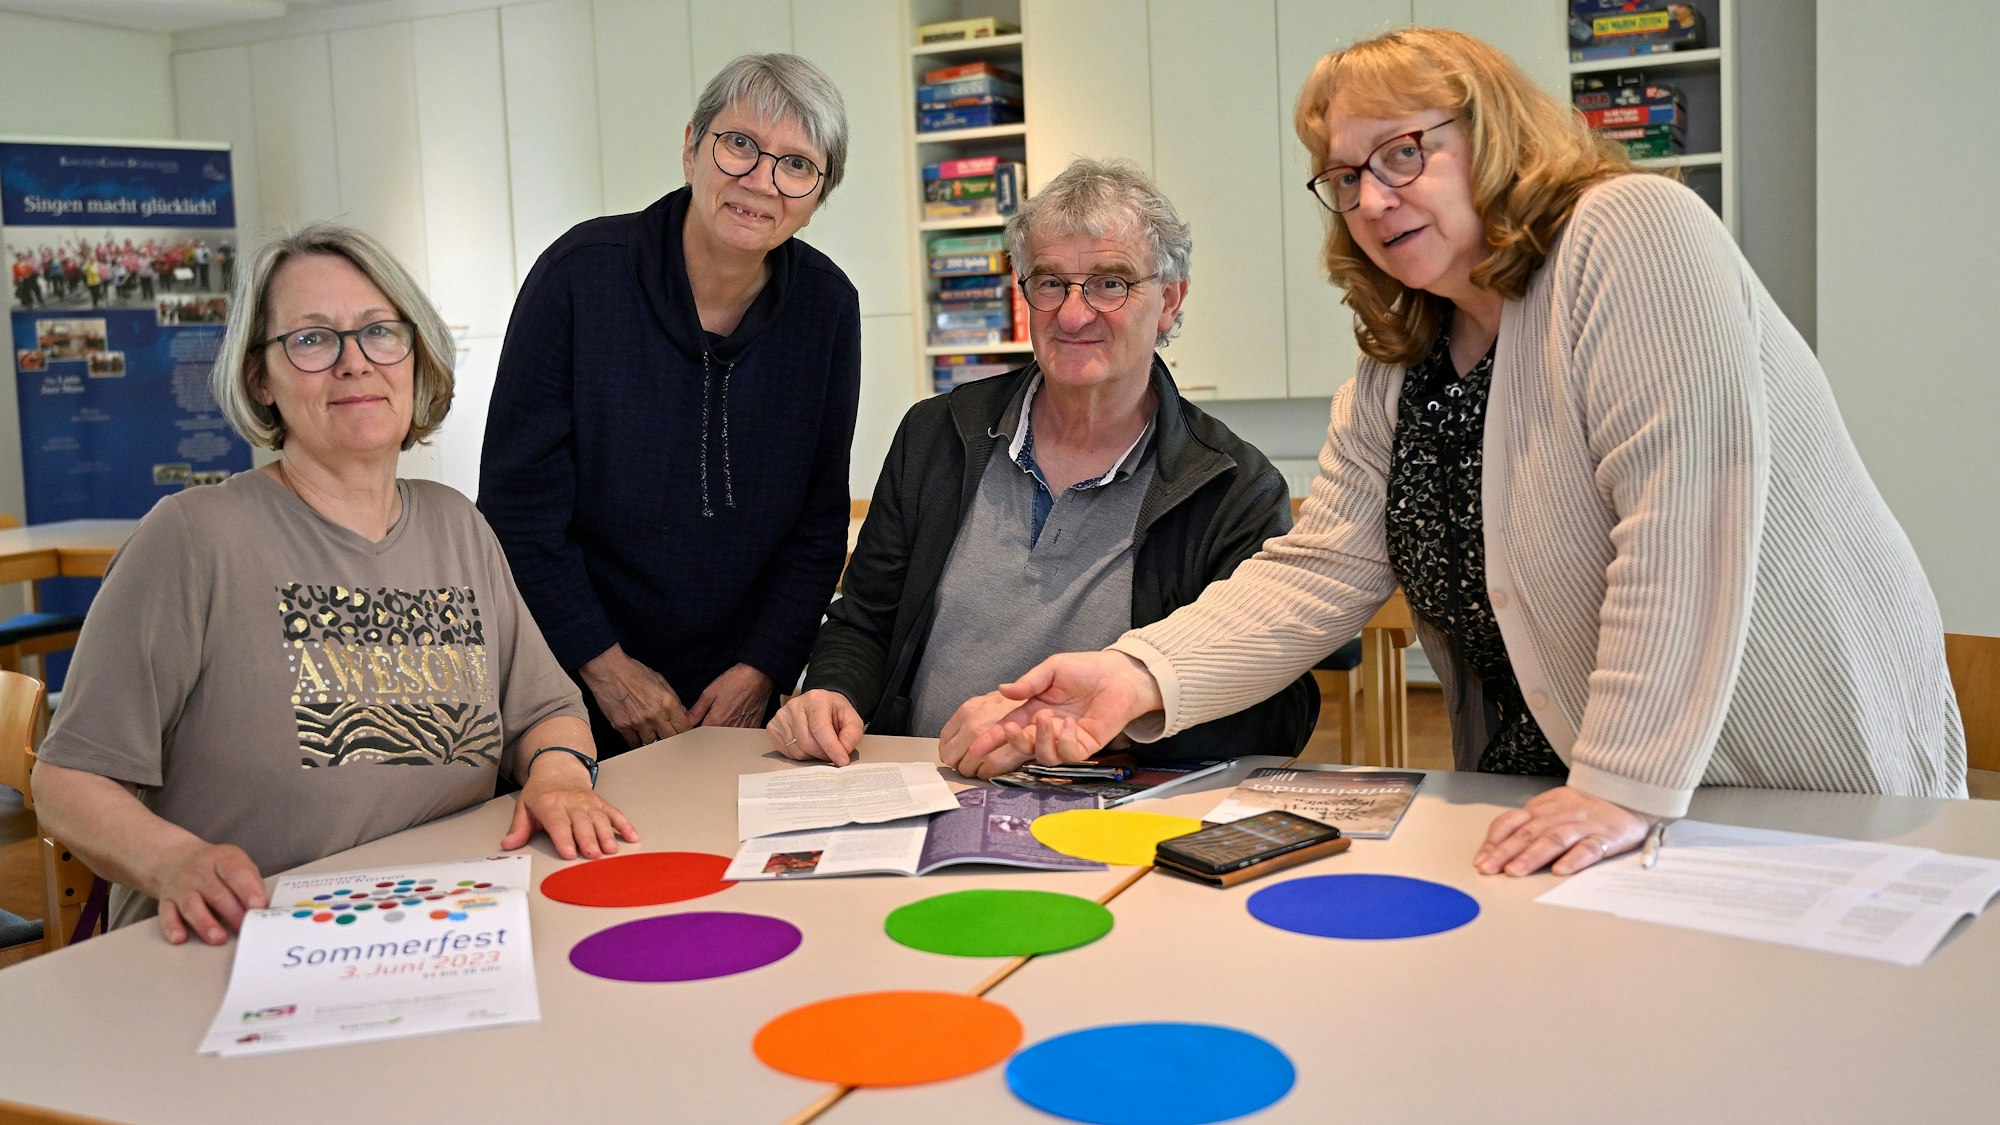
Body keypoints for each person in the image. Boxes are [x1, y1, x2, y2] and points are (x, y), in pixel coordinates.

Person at [957, 28, 1966, 874]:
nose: (1373, 196)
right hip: (1566, 801)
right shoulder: (1402, 357)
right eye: (1345, 176)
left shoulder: (1631, 231)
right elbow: (1317, 572)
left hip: (1778, 792)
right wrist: (1136, 674)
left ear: (1493, 136)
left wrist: (1618, 783)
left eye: (1402, 152)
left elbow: (1681, 521)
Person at [31, 222, 637, 946]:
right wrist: (175, 861)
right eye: (313, 339)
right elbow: (67, 782)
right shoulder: (193, 538)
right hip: (234, 948)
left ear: (415, 357)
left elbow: (548, 712)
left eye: (380, 332)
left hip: (442, 930)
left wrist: (559, 778)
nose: (355, 364)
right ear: (260, 376)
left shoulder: (458, 528)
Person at [766, 158, 1315, 776]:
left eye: (1111, 284)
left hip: (1113, 806)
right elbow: (864, 621)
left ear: (1170, 300)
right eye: (1050, 283)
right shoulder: (936, 435)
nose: (1074, 315)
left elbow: (1281, 710)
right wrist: (832, 693)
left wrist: (1116, 721)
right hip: (920, 788)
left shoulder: (1229, 485)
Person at [482, 54, 860, 759]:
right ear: (691, 147)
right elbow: (519, 512)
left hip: (740, 702)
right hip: (571, 686)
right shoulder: (578, 277)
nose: (760, 181)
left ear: (818, 194)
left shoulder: (828, 308)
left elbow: (817, 521)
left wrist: (764, 666)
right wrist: (606, 667)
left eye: (797, 165)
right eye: (740, 145)